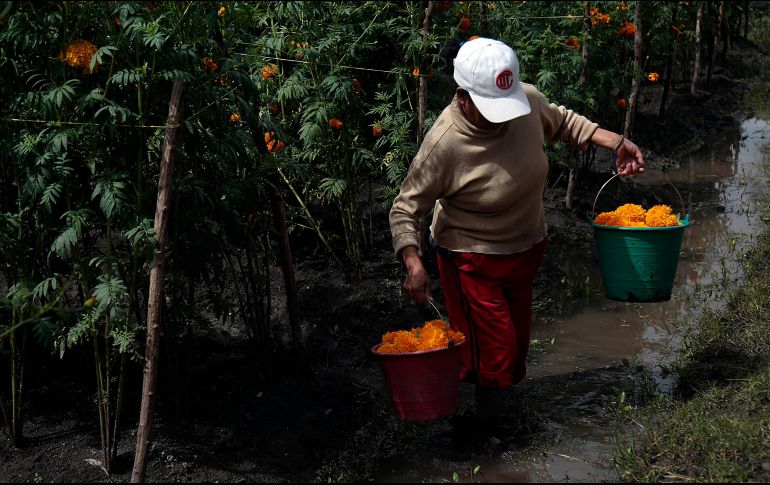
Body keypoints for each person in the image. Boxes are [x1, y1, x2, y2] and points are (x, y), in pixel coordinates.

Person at [388, 38, 644, 436]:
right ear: (463, 97)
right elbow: (405, 207)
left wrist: (616, 141)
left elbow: (564, 121)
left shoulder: (525, 101)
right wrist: (414, 262)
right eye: (492, 108)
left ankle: (497, 403)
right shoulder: (445, 144)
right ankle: (485, 434)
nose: (503, 118)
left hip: (526, 246)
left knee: (515, 344)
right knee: (495, 347)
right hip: (472, 256)